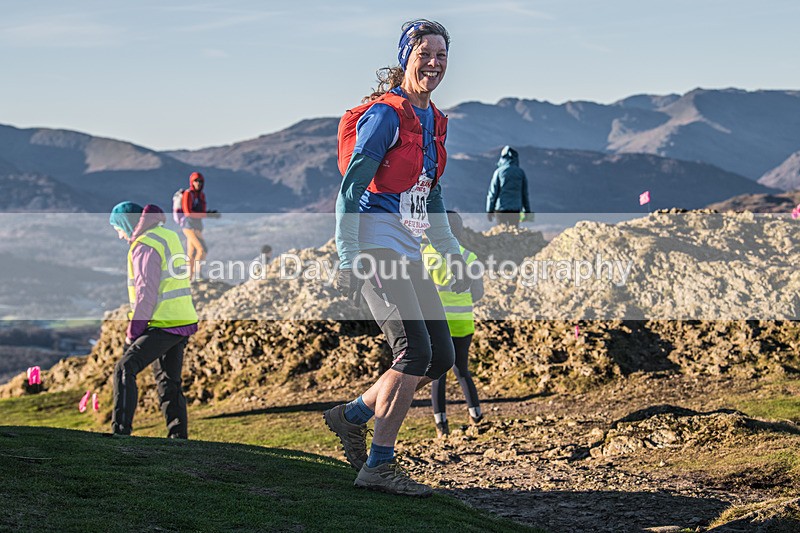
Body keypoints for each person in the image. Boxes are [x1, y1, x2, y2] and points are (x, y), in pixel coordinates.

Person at [325, 19, 469, 497]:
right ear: (406, 57)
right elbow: (351, 188)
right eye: (424, 54)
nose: (433, 63)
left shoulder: (432, 120)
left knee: (441, 355)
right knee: (413, 350)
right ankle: (378, 466)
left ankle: (350, 417)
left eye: (441, 56)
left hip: (408, 247)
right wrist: (348, 254)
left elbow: (431, 193)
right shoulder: (387, 116)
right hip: (373, 243)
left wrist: (451, 252)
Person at [108, 201, 198, 438]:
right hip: (181, 319)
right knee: (168, 381)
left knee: (125, 367)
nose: (119, 235)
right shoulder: (166, 235)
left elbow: (145, 293)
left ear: (127, 223)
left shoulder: (144, 245)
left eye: (118, 228)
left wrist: (132, 333)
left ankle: (120, 432)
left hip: (164, 322)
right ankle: (178, 438)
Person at [421, 211, 484, 438]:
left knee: (438, 373)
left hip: (437, 324)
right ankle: (475, 414)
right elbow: (478, 293)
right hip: (463, 322)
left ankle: (441, 423)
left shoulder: (425, 256)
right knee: (463, 371)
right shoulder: (469, 257)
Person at [180, 171, 217, 280]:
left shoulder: (201, 196)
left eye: (200, 181)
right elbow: (188, 213)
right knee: (202, 249)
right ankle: (197, 273)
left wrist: (207, 214)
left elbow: (202, 211)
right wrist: (206, 215)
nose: (198, 183)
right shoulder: (188, 194)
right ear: (192, 182)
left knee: (192, 253)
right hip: (189, 226)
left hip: (197, 227)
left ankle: (189, 278)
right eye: (196, 181)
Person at [486, 146, 531, 227]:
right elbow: (525, 194)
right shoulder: (520, 172)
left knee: (502, 234)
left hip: (501, 209)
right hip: (516, 209)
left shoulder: (499, 172)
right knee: (513, 234)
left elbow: (492, 193)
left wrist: (489, 210)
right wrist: (527, 211)